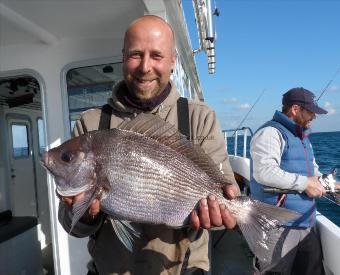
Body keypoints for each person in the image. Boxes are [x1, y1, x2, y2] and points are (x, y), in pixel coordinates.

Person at [58, 15, 240, 275]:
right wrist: (87, 214)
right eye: (135, 54)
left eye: (157, 55)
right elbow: (71, 225)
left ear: (173, 60)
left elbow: (225, 199)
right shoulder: (91, 123)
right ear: (123, 57)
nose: (145, 66)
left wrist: (223, 215)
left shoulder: (200, 118)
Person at [250, 87, 328, 275]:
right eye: (310, 111)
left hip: (305, 222)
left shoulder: (303, 138)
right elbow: (264, 172)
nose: (314, 117)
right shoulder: (270, 133)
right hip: (277, 225)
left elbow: (312, 172)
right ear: (294, 109)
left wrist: (328, 183)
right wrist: (305, 184)